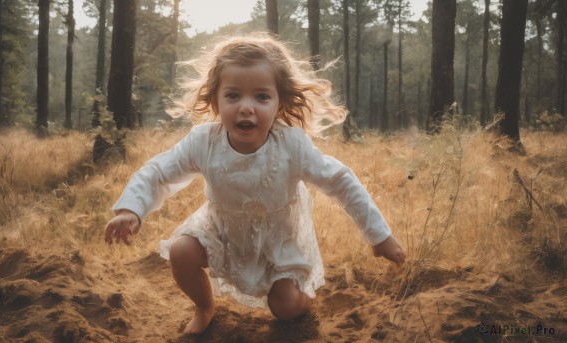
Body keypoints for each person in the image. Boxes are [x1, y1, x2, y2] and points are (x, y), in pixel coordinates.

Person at [104, 34, 406, 335]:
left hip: (278, 241)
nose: (246, 107)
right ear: (216, 100)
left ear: (279, 103)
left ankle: (304, 295)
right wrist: (132, 208)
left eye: (261, 97)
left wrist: (378, 236)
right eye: (233, 95)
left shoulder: (291, 146)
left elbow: (340, 181)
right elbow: (159, 171)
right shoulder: (204, 142)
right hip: (221, 232)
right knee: (181, 252)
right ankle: (204, 306)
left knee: (284, 306)